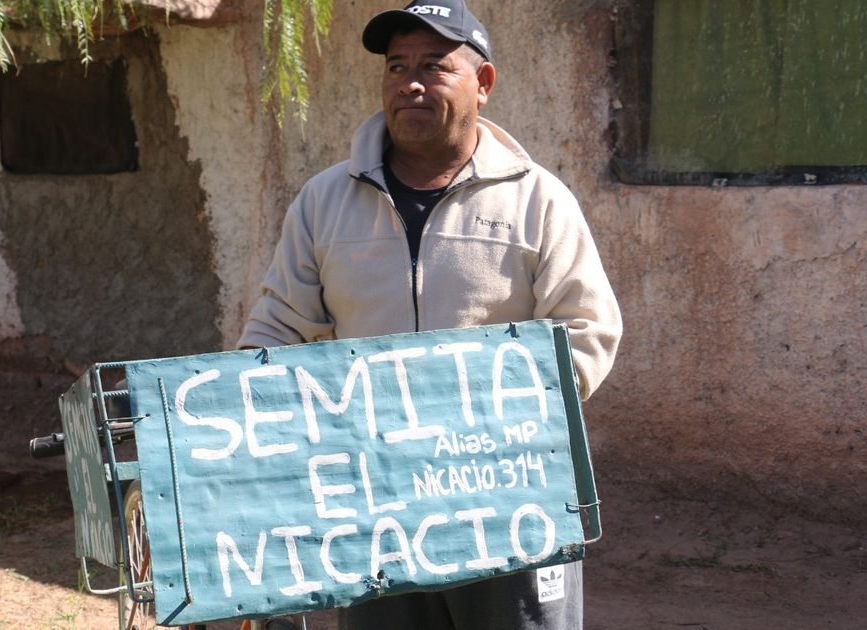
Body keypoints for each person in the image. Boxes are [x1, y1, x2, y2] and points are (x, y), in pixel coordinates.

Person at [237, 1, 622, 627]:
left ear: (484, 84)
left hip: (509, 504)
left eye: (435, 67)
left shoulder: (538, 199)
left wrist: (479, 431)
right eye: (396, 67)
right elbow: (280, 327)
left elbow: (586, 332)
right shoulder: (324, 202)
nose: (410, 83)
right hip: (372, 509)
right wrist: (239, 419)